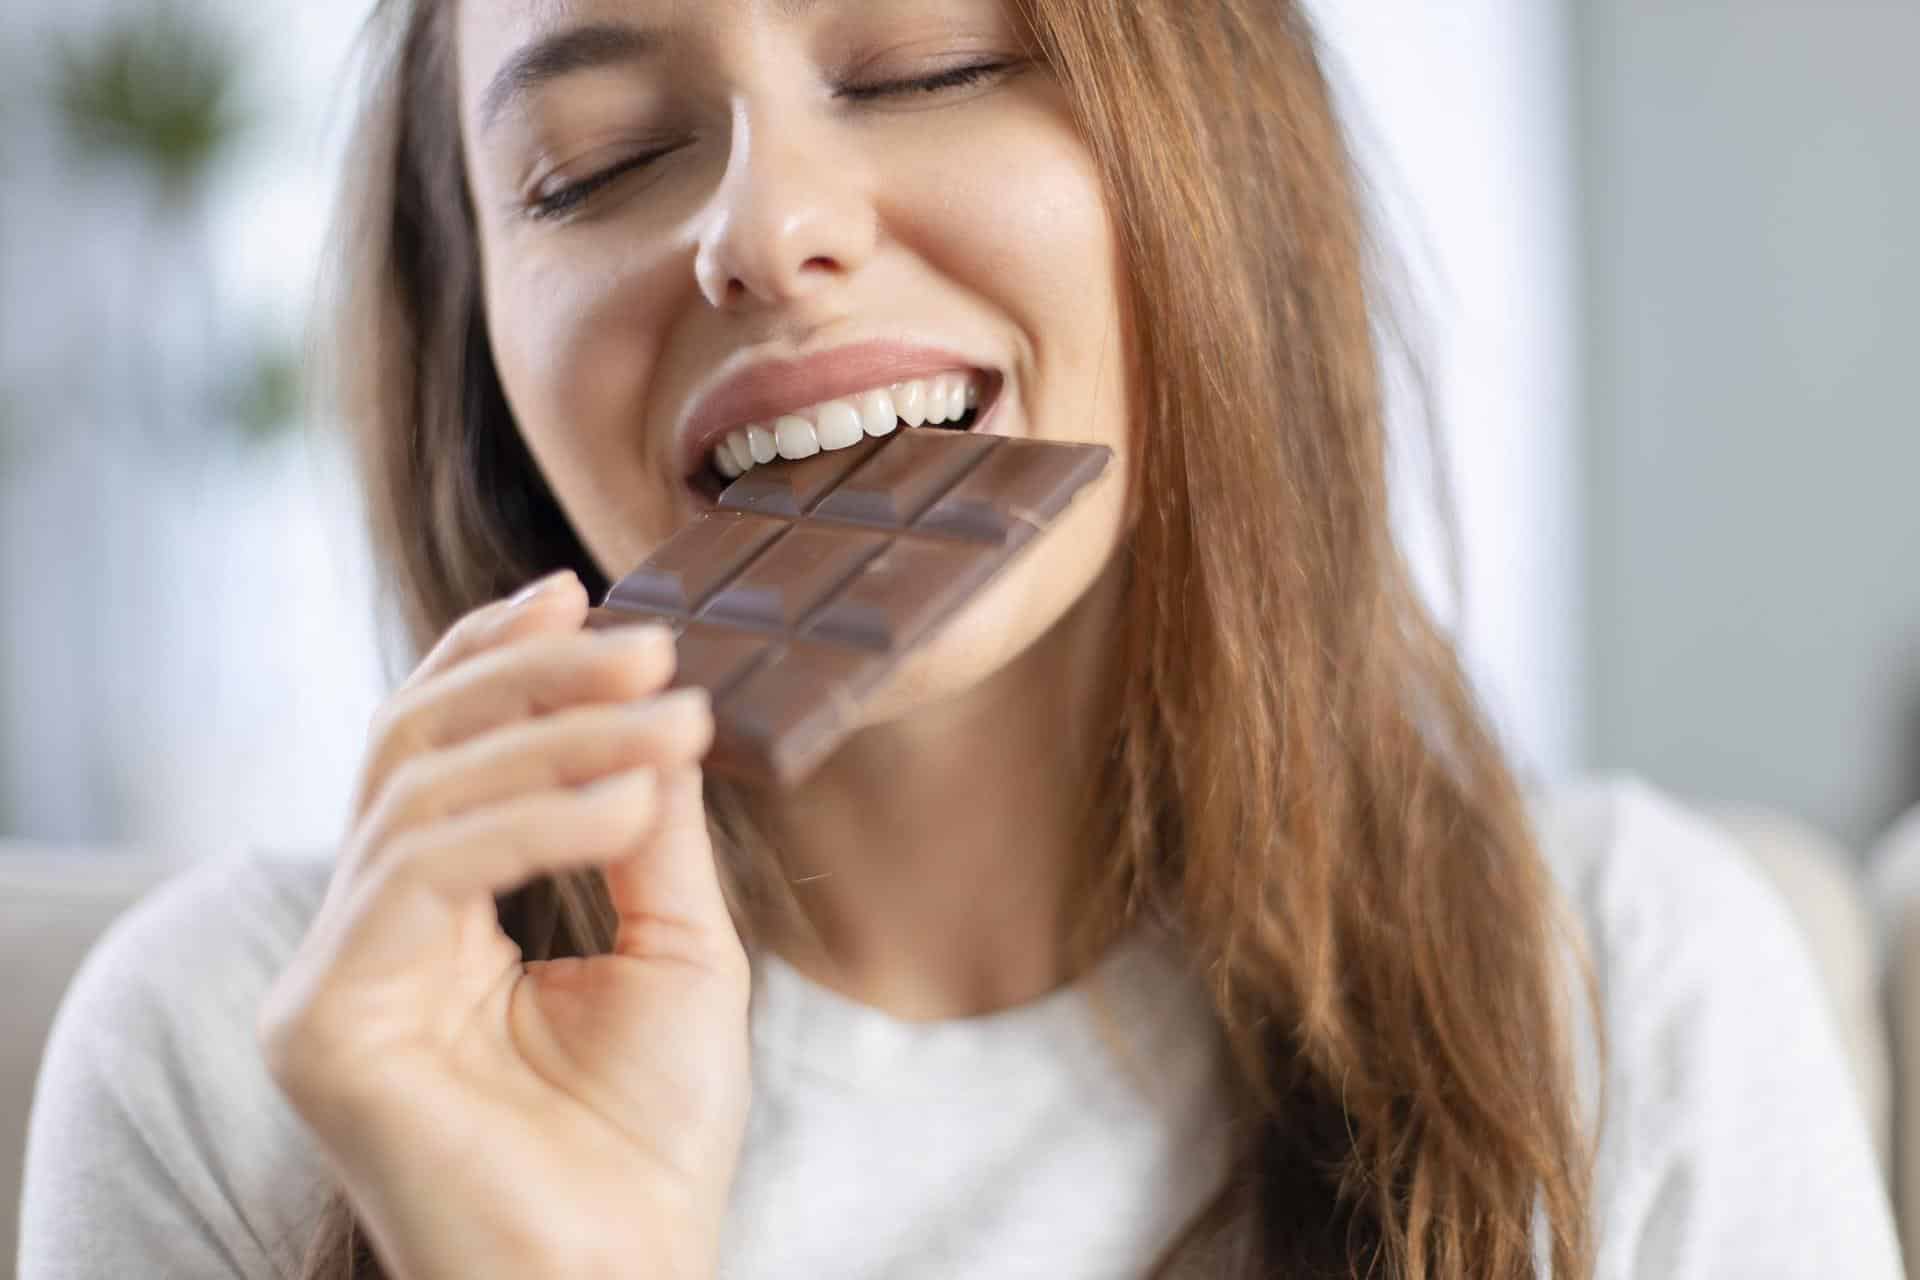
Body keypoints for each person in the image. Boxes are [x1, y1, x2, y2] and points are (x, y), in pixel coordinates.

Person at [18, 0, 1902, 1277]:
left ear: (1213, 148)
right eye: (590, 165)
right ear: (477, 355)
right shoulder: (245, 1062)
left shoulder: (1618, 987)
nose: (766, 228)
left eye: (925, 58)